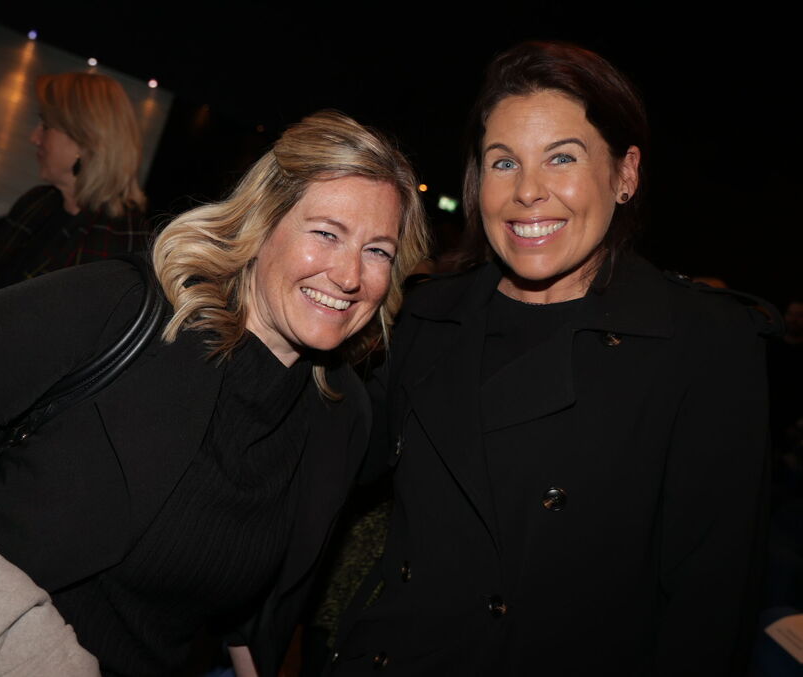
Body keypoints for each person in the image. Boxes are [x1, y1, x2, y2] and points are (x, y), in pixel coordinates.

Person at [0, 110, 430, 676]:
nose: (350, 275)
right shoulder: (123, 309)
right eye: (326, 233)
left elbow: (263, 609)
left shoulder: (339, 416)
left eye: (377, 250)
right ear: (262, 223)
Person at [328, 42, 774, 676]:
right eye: (504, 162)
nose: (528, 191)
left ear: (625, 174)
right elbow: (327, 464)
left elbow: (709, 612)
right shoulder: (425, 315)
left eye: (562, 157)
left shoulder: (704, 343)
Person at [0, 72, 150, 297]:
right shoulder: (36, 201)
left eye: (45, 126)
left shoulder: (119, 241)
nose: (34, 138)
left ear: (84, 140)